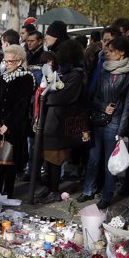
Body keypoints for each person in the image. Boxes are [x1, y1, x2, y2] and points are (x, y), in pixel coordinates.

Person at [78, 36, 129, 209]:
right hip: (98, 119)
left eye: (111, 51)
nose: (107, 53)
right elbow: (94, 96)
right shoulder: (104, 69)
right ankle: (88, 190)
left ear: (121, 53)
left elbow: (128, 104)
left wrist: (121, 130)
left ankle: (107, 195)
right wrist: (102, 107)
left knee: (109, 164)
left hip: (115, 123)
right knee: (93, 159)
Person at [39, 40, 87, 203]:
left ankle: (54, 189)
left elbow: (58, 96)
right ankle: (49, 186)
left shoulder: (76, 74)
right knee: (48, 156)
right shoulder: (63, 72)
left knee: (56, 156)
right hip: (52, 119)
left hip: (61, 121)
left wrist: (47, 95)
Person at [0, 45, 33, 198]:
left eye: (10, 61)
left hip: (14, 126)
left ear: (19, 61)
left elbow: (22, 104)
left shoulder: (26, 77)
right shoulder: (2, 75)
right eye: (5, 61)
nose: (6, 64)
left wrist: (8, 124)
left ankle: (7, 192)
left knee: (10, 162)